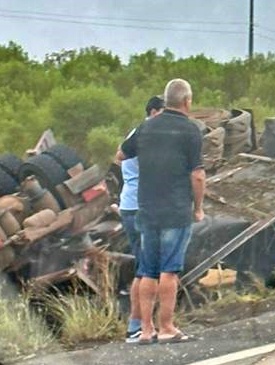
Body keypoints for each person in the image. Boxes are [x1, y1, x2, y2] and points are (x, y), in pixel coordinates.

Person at [120, 79, 205, 345]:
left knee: (148, 270)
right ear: (187, 101)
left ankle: (145, 330)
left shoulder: (144, 128)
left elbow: (121, 155)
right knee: (169, 270)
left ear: (166, 101)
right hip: (175, 209)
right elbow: (198, 175)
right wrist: (199, 208)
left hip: (146, 209)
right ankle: (166, 326)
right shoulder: (191, 131)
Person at [115, 95, 164, 344]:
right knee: (146, 270)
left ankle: (139, 325)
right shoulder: (145, 135)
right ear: (154, 112)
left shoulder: (135, 134)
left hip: (130, 205)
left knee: (144, 268)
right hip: (139, 208)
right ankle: (137, 326)